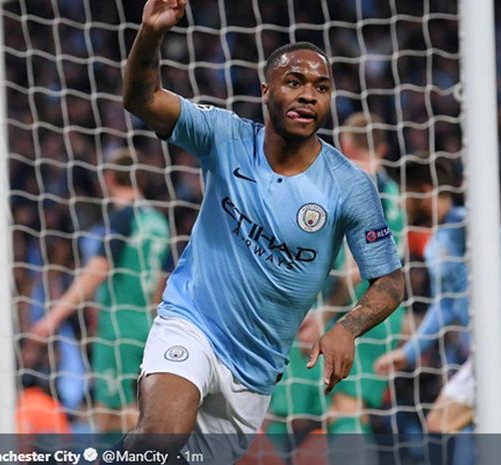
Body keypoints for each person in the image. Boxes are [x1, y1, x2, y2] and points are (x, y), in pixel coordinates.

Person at [120, 0, 404, 462]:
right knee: (159, 438)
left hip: (253, 372)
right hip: (191, 323)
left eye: (321, 87)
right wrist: (151, 32)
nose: (309, 94)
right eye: (295, 82)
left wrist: (348, 328)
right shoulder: (224, 136)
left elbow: (390, 282)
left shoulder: (350, 186)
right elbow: (141, 99)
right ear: (266, 88)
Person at [374, 157, 501, 433]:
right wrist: (409, 353)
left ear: (426, 189)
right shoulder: (435, 245)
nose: (399, 202)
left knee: (439, 423)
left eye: (405, 193)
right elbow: (445, 306)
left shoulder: (466, 225)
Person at [268, 112, 407, 442]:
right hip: (384, 311)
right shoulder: (393, 192)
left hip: (351, 308)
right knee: (318, 409)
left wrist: (324, 316)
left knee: (324, 410)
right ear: (383, 148)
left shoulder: (349, 185)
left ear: (344, 144)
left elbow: (353, 271)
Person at [24, 149, 170, 433]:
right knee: (133, 405)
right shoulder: (158, 222)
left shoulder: (122, 219)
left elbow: (96, 271)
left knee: (112, 412)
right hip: (148, 326)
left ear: (108, 178)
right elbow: (161, 282)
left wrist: (52, 318)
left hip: (118, 327)